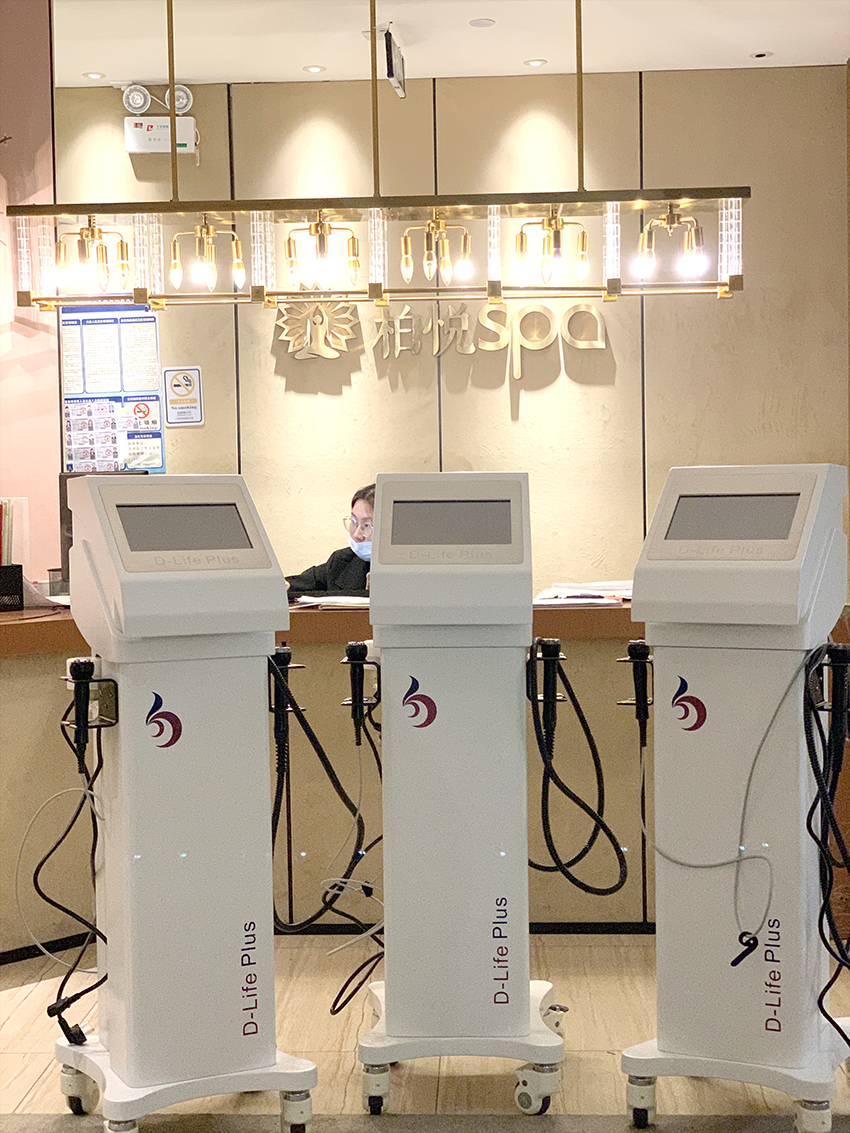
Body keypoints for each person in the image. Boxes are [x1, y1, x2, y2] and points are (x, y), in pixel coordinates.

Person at [286, 483, 374, 600]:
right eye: (354, 521)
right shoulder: (343, 561)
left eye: (367, 525)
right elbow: (300, 584)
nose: (356, 535)